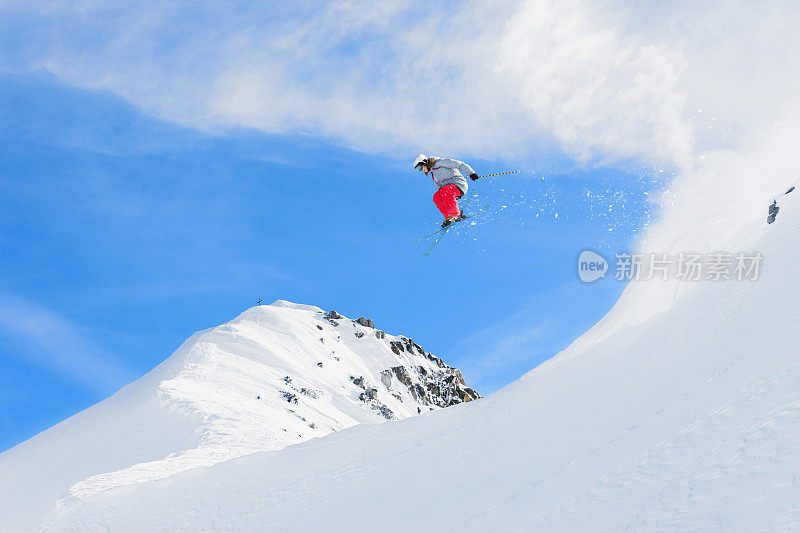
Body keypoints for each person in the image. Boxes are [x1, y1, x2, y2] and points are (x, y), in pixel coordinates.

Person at [412, 154, 480, 227]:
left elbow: (459, 164)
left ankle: (455, 214)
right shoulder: (432, 174)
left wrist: (471, 173)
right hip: (448, 191)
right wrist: (448, 200)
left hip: (459, 184)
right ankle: (448, 217)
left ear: (424, 162)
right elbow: (440, 189)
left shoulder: (440, 162)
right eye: (418, 169)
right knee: (436, 197)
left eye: (419, 167)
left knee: (445, 190)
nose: (420, 170)